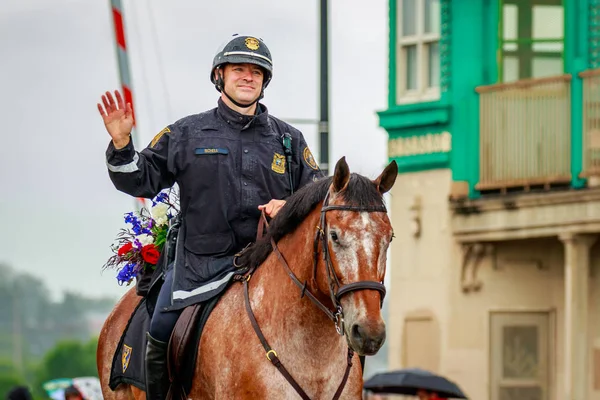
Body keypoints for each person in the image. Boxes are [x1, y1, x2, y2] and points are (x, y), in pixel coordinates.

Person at [97, 33, 323, 400]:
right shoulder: (185, 132)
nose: (248, 77)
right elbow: (140, 178)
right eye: (239, 70)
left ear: (265, 83)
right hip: (199, 267)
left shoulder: (290, 139)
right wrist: (122, 146)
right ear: (220, 76)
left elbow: (316, 196)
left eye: (256, 72)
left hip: (269, 266)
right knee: (161, 327)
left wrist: (290, 204)